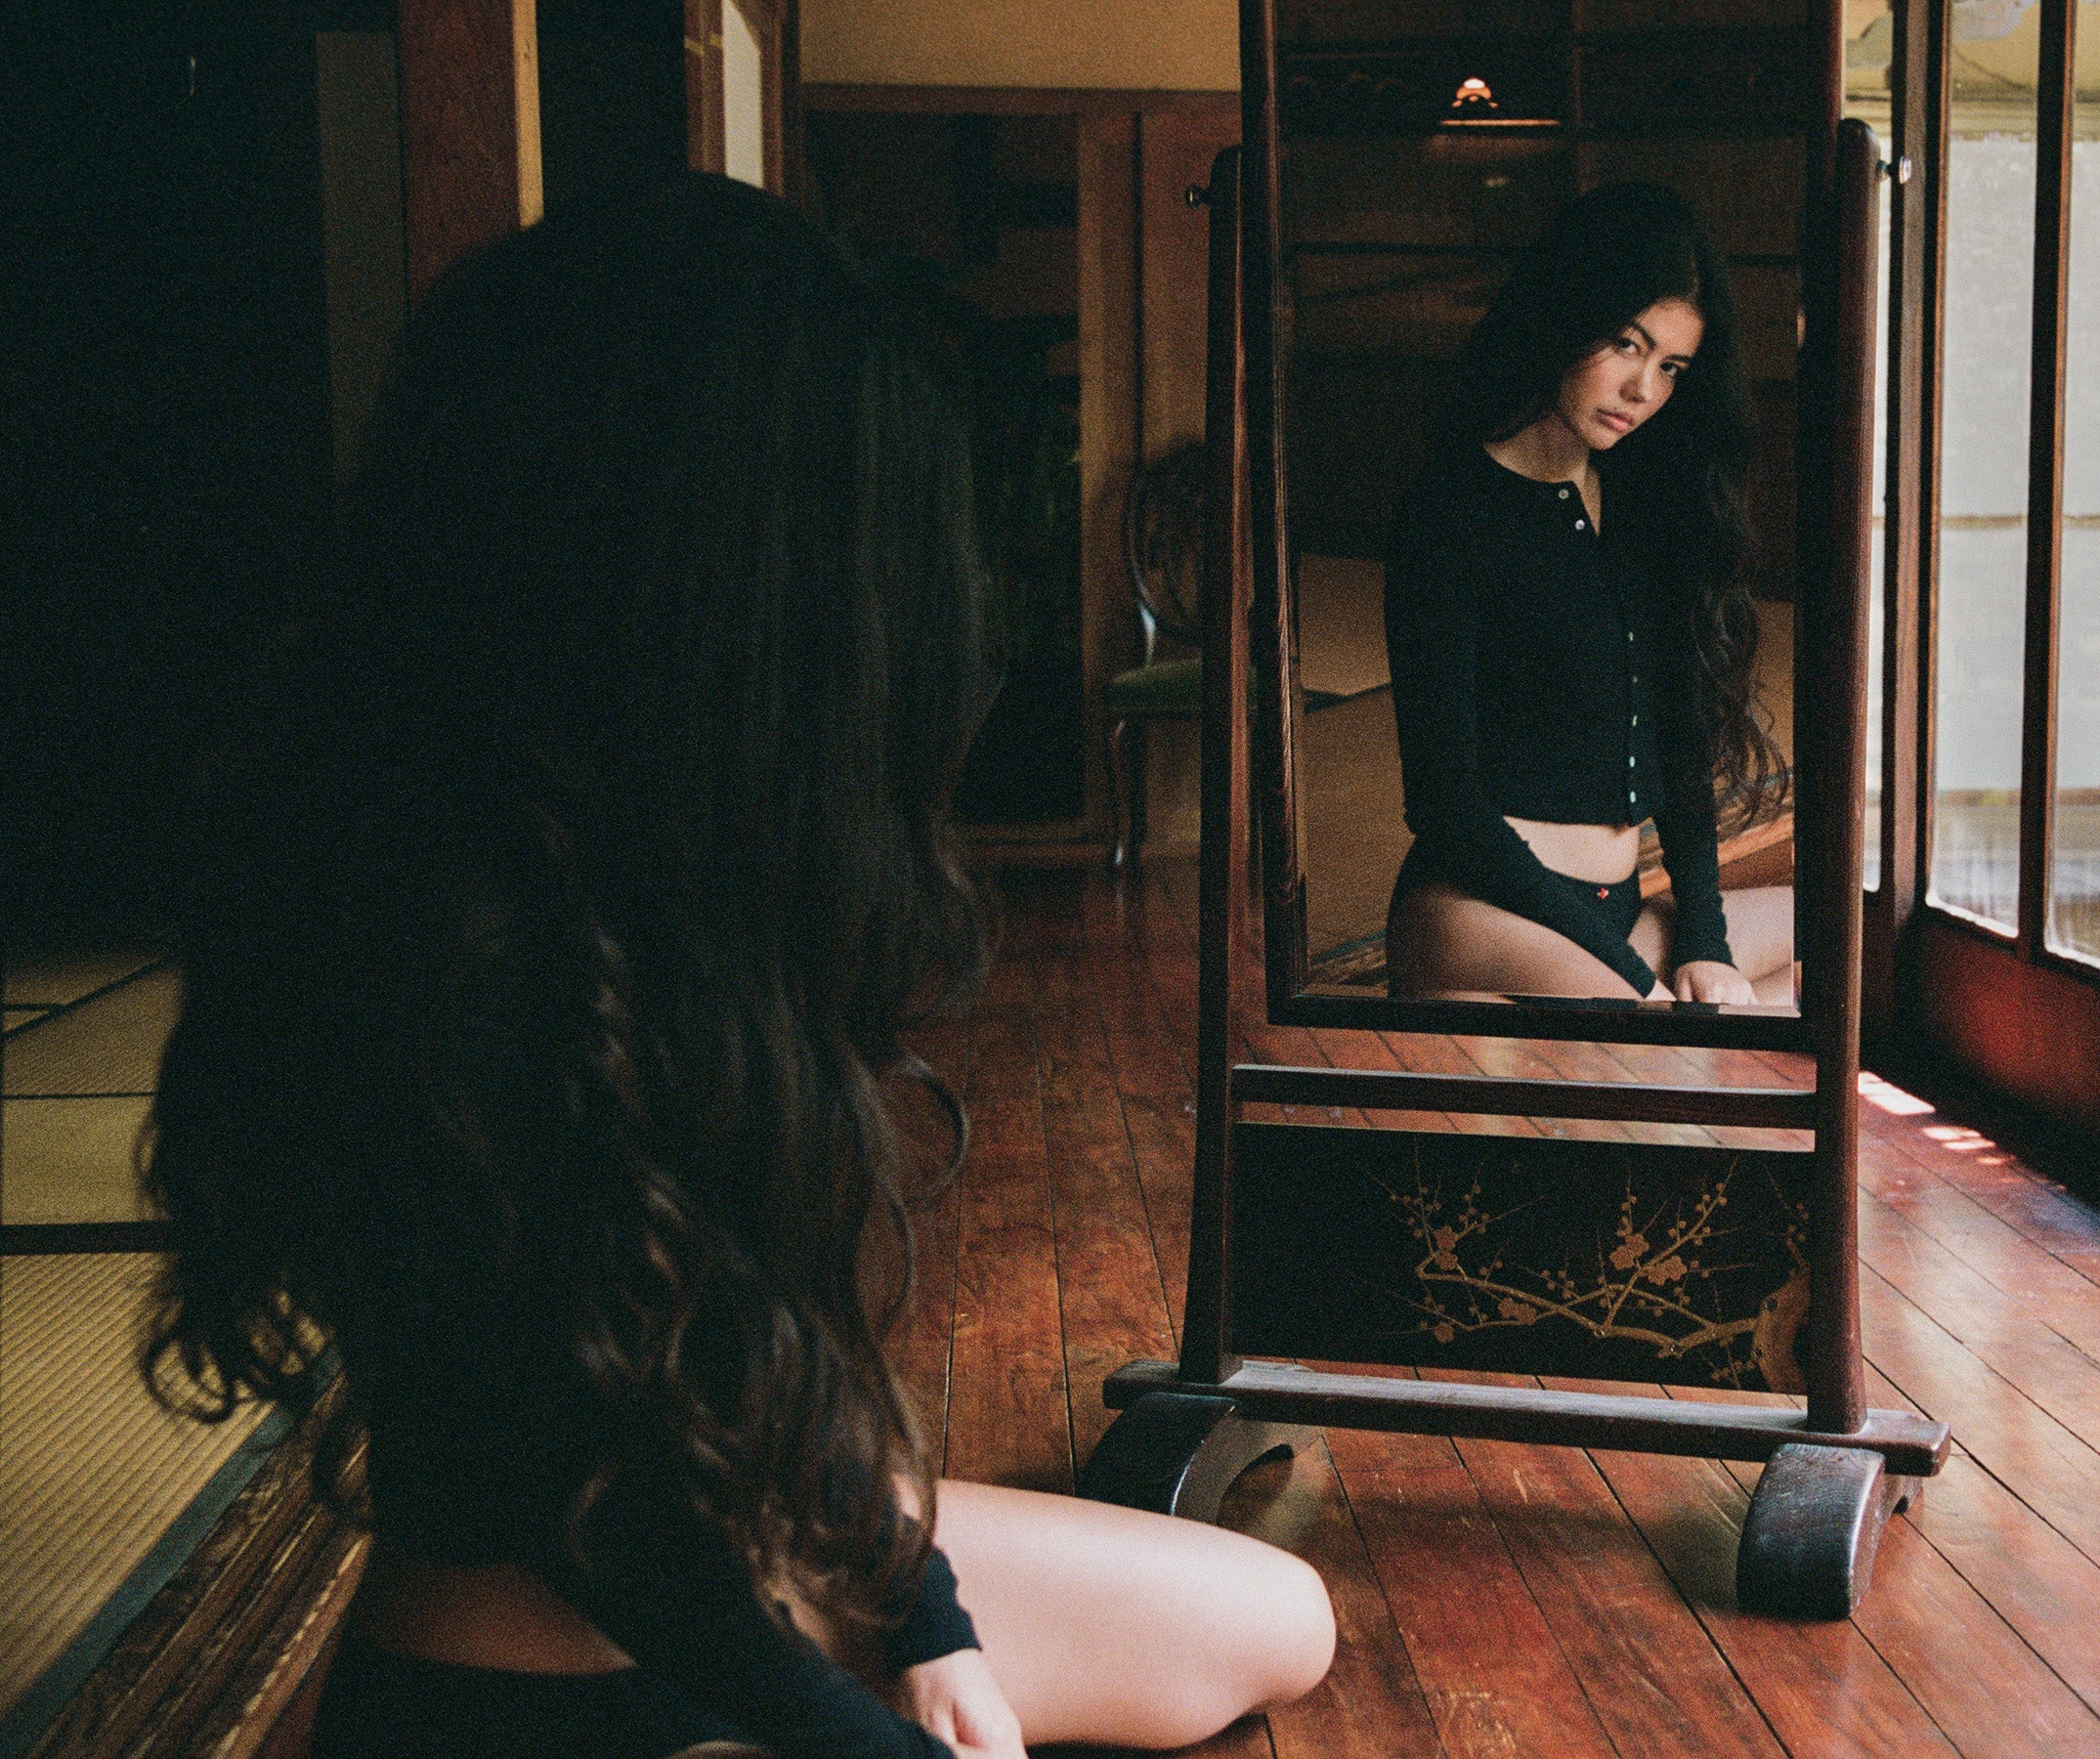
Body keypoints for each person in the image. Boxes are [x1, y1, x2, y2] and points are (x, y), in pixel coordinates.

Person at [139, 175, 1334, 1759]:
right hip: (544, 1685)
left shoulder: (671, 877)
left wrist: (930, 1627)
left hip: (728, 1546)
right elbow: (608, 1523)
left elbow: (759, 1366)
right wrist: (868, 1734)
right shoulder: (450, 957)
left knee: (1276, 1628)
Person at [1382, 182, 1793, 1007]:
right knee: (1680, 1039)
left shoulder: (1642, 506)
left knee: (1821, 942)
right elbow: (1445, 801)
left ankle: (1651, 1022)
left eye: (1671, 365)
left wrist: (1705, 946)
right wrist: (1637, 978)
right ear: (1564, 318)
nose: (1645, 389)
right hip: (1485, 910)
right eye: (1625, 344)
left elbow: (1677, 749)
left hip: (1617, 907)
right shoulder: (1450, 513)